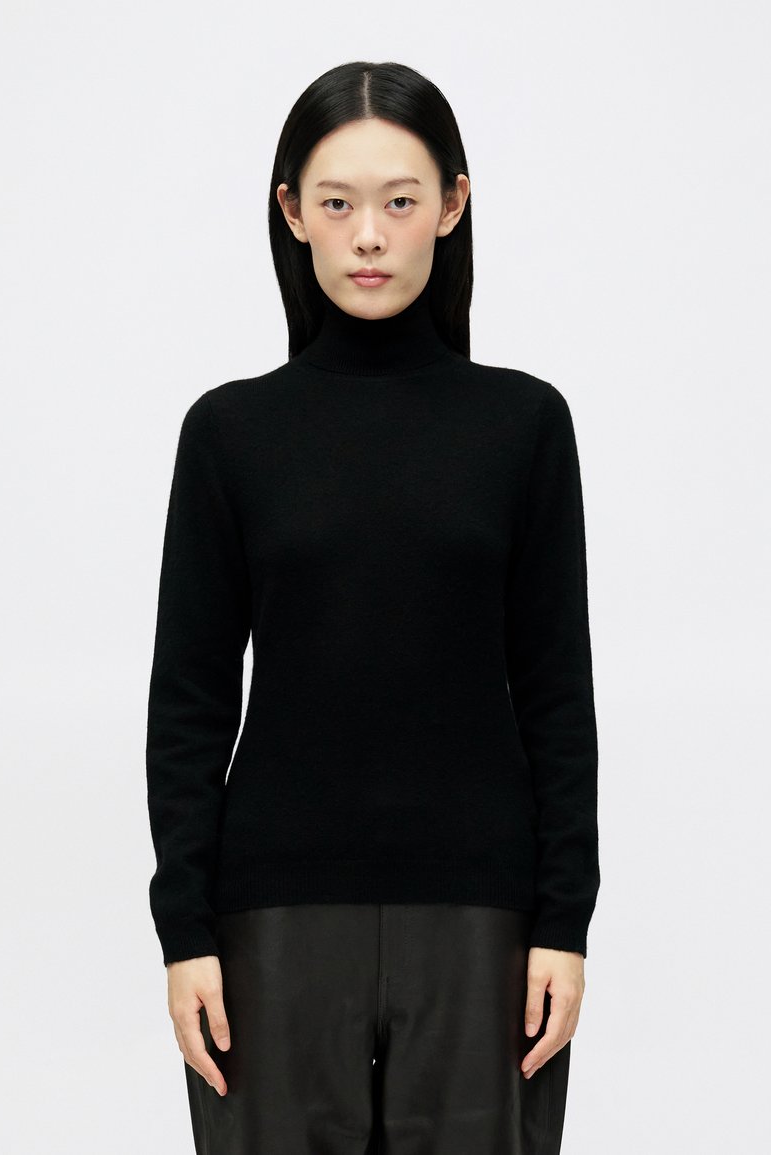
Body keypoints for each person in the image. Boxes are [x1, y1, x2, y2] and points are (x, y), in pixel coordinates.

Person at [146, 60, 600, 1155]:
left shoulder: (523, 426)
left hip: (483, 917)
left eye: (399, 201)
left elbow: (556, 693)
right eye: (337, 202)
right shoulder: (230, 434)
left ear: (452, 202)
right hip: (272, 917)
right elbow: (190, 702)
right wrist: (185, 932)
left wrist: (563, 922)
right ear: (291, 210)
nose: (368, 236)